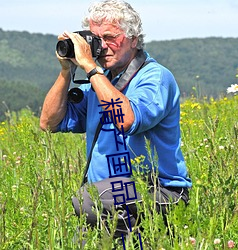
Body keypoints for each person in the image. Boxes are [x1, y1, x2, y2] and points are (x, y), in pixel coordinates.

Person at [40, 0, 192, 246]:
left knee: (88, 200)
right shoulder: (99, 83)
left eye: (110, 37)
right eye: (96, 39)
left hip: (158, 191)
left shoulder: (154, 77)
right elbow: (49, 122)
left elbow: (126, 121)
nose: (102, 47)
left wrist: (90, 68)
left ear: (133, 39)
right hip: (110, 199)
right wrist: (66, 71)